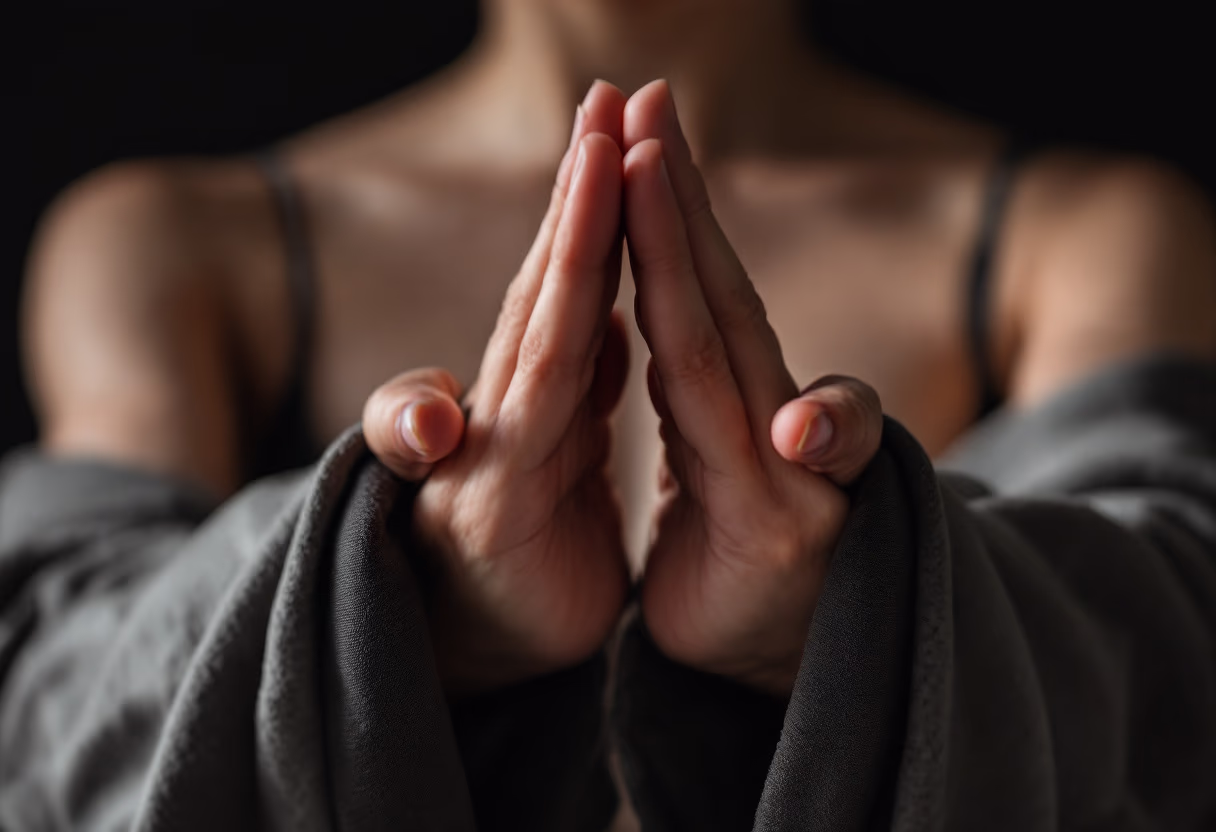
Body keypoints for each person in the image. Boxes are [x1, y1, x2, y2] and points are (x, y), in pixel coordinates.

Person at [5, 1, 1216, 829]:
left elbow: (1172, 654)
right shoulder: (178, 236)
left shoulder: (1073, 231)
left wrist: (848, 618)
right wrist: (400, 599)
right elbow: (53, 691)